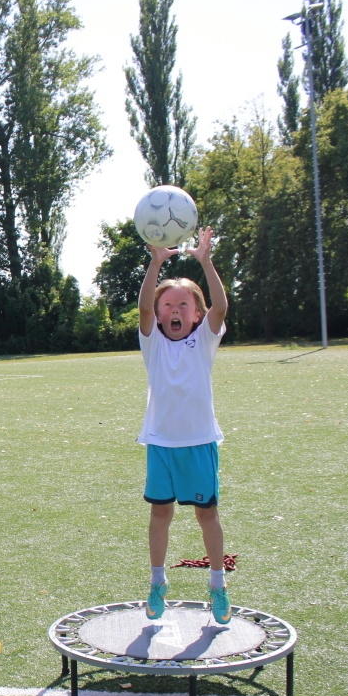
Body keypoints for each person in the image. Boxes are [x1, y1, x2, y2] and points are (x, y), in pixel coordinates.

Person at [135, 226, 231, 624]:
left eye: (183, 305)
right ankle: (158, 582)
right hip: (161, 444)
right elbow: (142, 309)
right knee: (160, 515)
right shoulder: (153, 341)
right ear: (159, 315)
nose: (175, 311)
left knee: (206, 515)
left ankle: (218, 585)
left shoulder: (203, 339)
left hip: (198, 443)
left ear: (196, 313)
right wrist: (156, 264)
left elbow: (221, 308)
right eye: (168, 305)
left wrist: (205, 261)